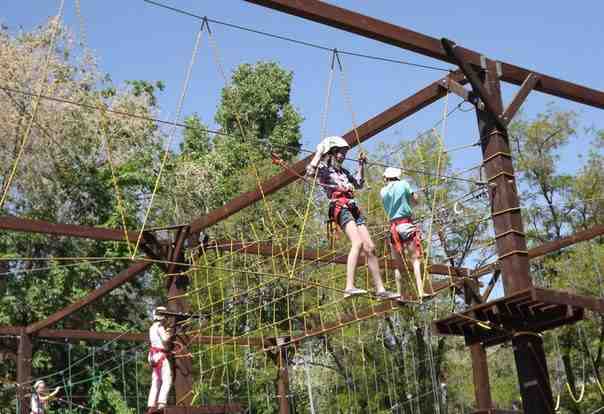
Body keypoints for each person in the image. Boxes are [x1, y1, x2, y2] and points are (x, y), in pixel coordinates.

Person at [307, 136, 398, 300]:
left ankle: (380, 290)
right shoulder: (323, 169)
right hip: (339, 206)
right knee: (357, 243)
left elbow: (359, 184)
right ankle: (349, 287)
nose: (343, 156)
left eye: (344, 153)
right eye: (341, 152)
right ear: (332, 152)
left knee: (370, 247)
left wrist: (361, 165)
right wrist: (319, 152)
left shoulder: (343, 172)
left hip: (352, 207)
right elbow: (309, 172)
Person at [380, 167, 428, 300]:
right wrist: (410, 201)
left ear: (386, 178)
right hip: (406, 224)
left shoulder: (383, 191)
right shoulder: (404, 184)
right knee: (415, 260)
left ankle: (400, 295)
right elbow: (416, 200)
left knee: (398, 265)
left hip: (393, 229)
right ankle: (420, 292)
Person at [147, 306, 173, 412]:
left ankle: (151, 403)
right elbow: (165, 339)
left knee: (156, 380)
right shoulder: (159, 327)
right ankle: (161, 403)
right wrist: (170, 333)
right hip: (160, 355)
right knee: (167, 379)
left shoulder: (151, 328)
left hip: (153, 355)